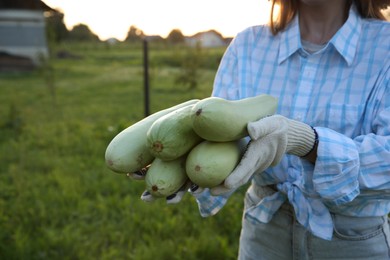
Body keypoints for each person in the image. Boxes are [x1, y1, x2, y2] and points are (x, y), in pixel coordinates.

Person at [134, 0, 390, 259]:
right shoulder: (247, 46)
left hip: (354, 241)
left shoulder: (385, 47)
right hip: (263, 233)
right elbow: (220, 139)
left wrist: (306, 142)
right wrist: (186, 165)